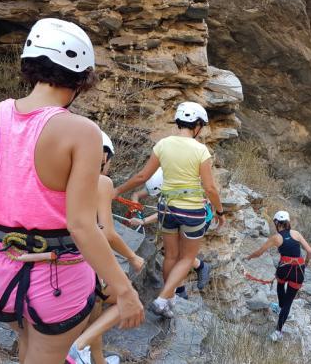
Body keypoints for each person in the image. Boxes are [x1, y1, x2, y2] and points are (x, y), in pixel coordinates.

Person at [0, 18, 143, 363]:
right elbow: (81, 224)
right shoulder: (81, 132)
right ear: (80, 79)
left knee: (27, 347)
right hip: (58, 279)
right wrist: (123, 288)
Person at [114, 101, 225, 318]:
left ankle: (169, 299)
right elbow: (210, 188)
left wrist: (117, 190)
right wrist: (220, 212)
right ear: (198, 125)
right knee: (186, 258)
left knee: (170, 256)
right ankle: (163, 298)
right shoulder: (201, 150)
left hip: (166, 208)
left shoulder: (163, 144)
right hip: (191, 210)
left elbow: (142, 176)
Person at [67, 131, 145, 364]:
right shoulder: (101, 182)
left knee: (95, 313)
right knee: (127, 300)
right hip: (83, 261)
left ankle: (96, 360)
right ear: (103, 156)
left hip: (58, 257)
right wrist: (132, 257)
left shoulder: (61, 178)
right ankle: (77, 347)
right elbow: (108, 233)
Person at [128, 168, 212, 298]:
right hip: (179, 218)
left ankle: (200, 268)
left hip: (199, 219)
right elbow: (136, 195)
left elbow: (162, 213)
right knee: (176, 256)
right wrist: (135, 209)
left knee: (182, 257)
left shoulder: (179, 190)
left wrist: (142, 221)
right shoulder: (157, 181)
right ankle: (181, 291)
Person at [245, 211, 311, 342]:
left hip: (284, 268)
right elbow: (309, 251)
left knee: (280, 284)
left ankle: (280, 307)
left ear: (276, 222)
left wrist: (248, 257)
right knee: (289, 302)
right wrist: (306, 264)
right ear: (288, 221)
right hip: (299, 269)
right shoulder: (296, 234)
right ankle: (278, 331)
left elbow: (259, 252)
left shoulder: (276, 238)